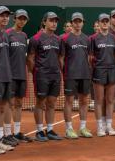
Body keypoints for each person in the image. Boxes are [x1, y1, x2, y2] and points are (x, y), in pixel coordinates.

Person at [28, 12, 63, 142]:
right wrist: (36, 72)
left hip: (55, 75)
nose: (54, 23)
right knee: (40, 102)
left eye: (55, 21)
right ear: (44, 22)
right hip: (41, 75)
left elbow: (61, 58)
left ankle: (49, 129)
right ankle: (39, 131)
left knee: (52, 103)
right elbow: (30, 59)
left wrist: (60, 72)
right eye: (51, 20)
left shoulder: (58, 40)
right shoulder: (35, 39)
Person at [60, 12, 92, 139]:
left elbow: (89, 57)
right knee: (69, 101)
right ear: (72, 23)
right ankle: (69, 129)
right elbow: (61, 58)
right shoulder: (65, 38)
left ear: (83, 23)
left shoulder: (87, 39)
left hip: (84, 74)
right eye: (75, 21)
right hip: (70, 75)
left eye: (80, 21)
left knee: (84, 101)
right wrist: (64, 72)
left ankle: (83, 127)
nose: (78, 23)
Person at [0, 6, 17, 151]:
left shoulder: (5, 34)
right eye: (2, 15)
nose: (5, 18)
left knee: (1, 108)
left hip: (7, 76)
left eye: (7, 15)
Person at [89, 12, 115, 137]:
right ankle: (100, 126)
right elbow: (90, 58)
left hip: (112, 70)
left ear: (109, 22)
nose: (105, 23)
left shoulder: (114, 38)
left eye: (107, 21)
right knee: (99, 100)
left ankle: (109, 125)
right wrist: (94, 70)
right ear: (99, 23)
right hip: (99, 71)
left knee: (110, 100)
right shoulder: (93, 38)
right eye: (103, 21)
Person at [5, 9, 31, 143]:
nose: (22, 21)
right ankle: (7, 133)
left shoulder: (24, 36)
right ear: (14, 19)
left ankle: (16, 132)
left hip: (22, 74)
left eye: (24, 19)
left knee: (19, 103)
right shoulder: (7, 34)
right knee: (9, 104)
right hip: (10, 75)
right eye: (19, 18)